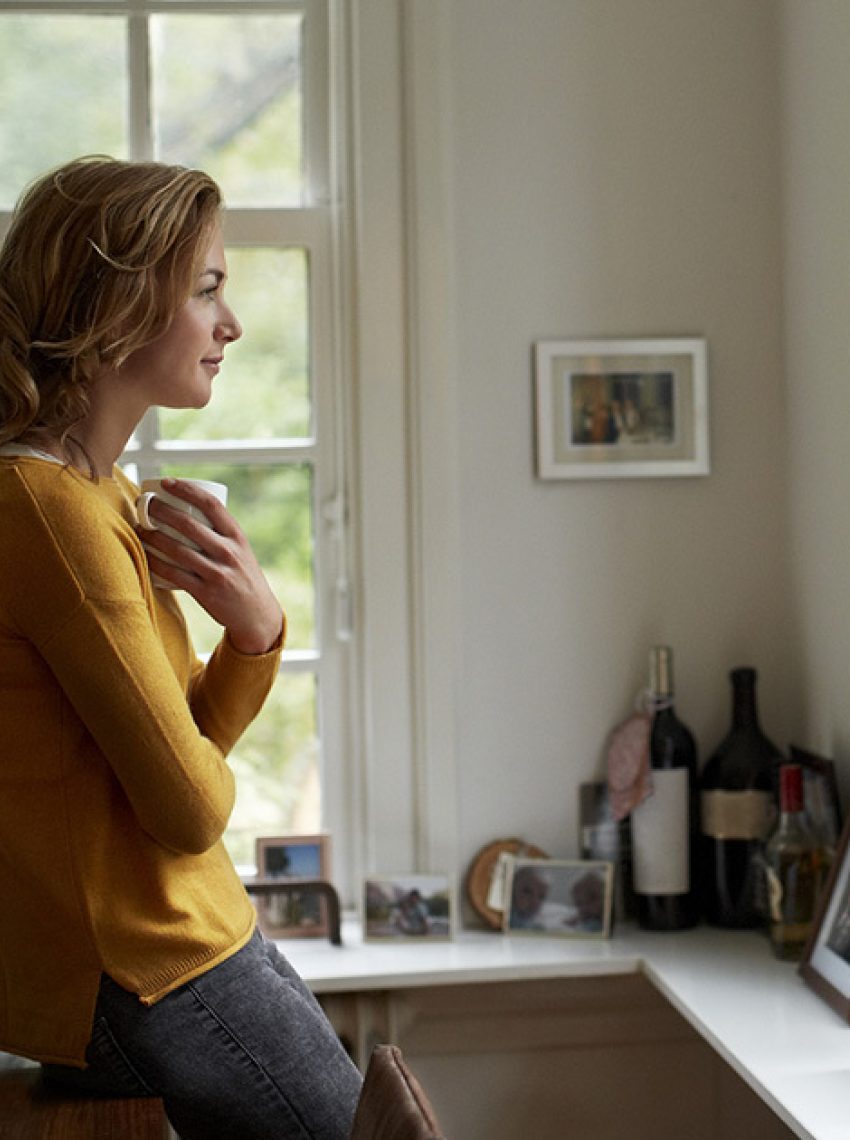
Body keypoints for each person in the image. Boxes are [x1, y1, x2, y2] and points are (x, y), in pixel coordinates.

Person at [0, 157, 361, 1139]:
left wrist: (252, 636)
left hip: (187, 941)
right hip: (140, 969)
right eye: (207, 290)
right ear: (115, 306)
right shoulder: (46, 511)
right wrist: (245, 639)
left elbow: (167, 762)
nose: (230, 326)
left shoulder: (100, 497)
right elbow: (188, 804)